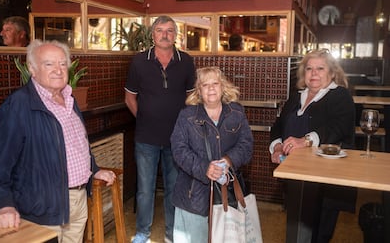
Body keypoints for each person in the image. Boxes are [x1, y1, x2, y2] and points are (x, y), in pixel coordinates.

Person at [0, 39, 116, 243]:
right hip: (42, 207)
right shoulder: (18, 106)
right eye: (49, 64)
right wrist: (3, 204)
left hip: (78, 200)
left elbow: (76, 145)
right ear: (32, 69)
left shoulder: (69, 100)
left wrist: (94, 169)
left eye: (63, 64)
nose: (58, 70)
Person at [269, 49, 356, 243]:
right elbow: (278, 126)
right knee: (296, 231)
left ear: (332, 73)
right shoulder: (295, 97)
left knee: (318, 235)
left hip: (325, 178)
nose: (313, 73)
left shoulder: (340, 96)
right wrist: (276, 146)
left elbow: (338, 128)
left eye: (320, 68)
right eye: (309, 68)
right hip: (295, 175)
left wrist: (306, 141)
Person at [124, 15, 196, 243]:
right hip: (146, 138)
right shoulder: (139, 61)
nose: (165, 35)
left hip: (177, 140)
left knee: (175, 189)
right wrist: (144, 118)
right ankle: (143, 233)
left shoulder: (186, 61)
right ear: (153, 34)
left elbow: (192, 97)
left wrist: (183, 127)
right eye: (160, 30)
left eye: (170, 31)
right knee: (145, 190)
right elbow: (129, 98)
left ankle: (171, 233)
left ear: (176, 35)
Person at [170, 66, 253, 243]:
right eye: (205, 85)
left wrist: (229, 160)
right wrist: (204, 168)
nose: (211, 88)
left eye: (215, 83)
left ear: (223, 86)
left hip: (228, 194)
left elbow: (246, 145)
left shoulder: (237, 113)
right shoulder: (186, 116)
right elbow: (178, 149)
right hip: (193, 197)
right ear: (199, 91)